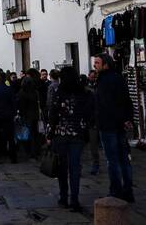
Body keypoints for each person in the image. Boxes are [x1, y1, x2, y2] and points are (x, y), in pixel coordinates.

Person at [47, 66, 94, 212]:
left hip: (61, 134)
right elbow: (90, 113)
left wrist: (50, 134)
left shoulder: (58, 92)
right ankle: (74, 199)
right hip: (78, 134)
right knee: (75, 167)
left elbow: (53, 114)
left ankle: (63, 197)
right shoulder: (84, 93)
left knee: (62, 167)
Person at [94, 53, 135, 202]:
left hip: (108, 125)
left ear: (106, 64)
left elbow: (107, 104)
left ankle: (116, 190)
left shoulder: (104, 81)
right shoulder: (119, 78)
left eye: (97, 63)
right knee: (124, 159)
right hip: (119, 124)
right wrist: (127, 119)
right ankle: (128, 190)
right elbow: (127, 100)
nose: (95, 65)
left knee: (113, 160)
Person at [80, 73, 100, 175]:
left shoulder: (90, 93)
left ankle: (95, 164)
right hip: (86, 123)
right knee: (87, 146)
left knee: (92, 146)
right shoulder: (79, 94)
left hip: (90, 122)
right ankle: (92, 164)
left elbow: (95, 108)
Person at [17, 76, 41, 159]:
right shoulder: (35, 92)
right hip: (35, 115)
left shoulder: (22, 93)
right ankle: (36, 150)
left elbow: (21, 105)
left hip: (27, 116)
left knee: (26, 133)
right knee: (35, 134)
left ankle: (29, 150)